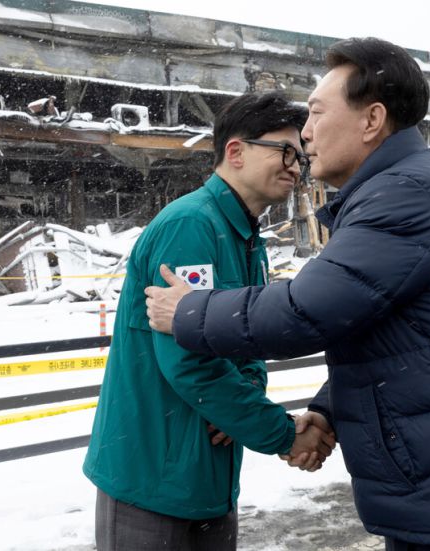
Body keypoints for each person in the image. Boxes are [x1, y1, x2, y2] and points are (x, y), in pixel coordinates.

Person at [145, 37, 430, 550]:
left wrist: (190, 311)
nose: (304, 138)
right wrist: (326, 411)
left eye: (316, 116)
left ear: (372, 120)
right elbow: (381, 330)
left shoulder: (404, 193)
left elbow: (307, 311)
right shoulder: (400, 186)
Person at [83, 91, 336, 551]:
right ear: (235, 152)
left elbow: (244, 341)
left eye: (299, 155)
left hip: (206, 473)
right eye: (284, 151)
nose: (296, 167)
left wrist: (247, 399)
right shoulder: (192, 227)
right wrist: (280, 434)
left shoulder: (246, 237)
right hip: (153, 476)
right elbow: (189, 359)